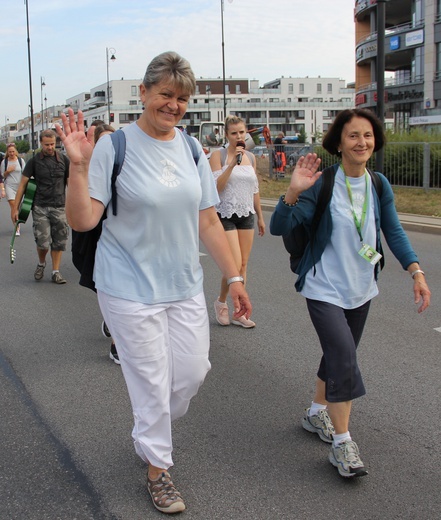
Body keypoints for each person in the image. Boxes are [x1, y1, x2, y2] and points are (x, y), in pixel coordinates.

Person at [55, 51, 252, 514]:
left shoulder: (189, 149)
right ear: (144, 93)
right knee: (151, 380)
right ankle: (159, 470)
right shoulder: (113, 146)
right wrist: (79, 169)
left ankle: (148, 431)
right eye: (165, 94)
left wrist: (235, 277)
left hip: (183, 284)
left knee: (191, 372)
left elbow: (208, 220)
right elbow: (83, 221)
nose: (174, 104)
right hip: (126, 285)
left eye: (182, 97)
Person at [270, 108, 430, 479]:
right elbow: (280, 226)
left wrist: (415, 271)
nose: (362, 142)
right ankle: (342, 444)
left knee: (338, 353)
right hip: (324, 287)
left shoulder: (378, 184)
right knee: (343, 356)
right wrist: (293, 190)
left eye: (368, 136)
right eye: (354, 135)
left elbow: (393, 231)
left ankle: (315, 414)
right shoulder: (323, 183)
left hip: (361, 289)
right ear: (339, 142)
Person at [209, 115, 265, 328]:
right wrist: (232, 164)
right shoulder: (218, 155)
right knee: (232, 263)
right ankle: (222, 302)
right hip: (225, 214)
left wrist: (260, 216)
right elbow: (216, 187)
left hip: (246, 214)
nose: (239, 136)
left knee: (242, 265)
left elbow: (255, 189)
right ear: (227, 135)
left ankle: (239, 312)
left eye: (242, 132)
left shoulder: (251, 156)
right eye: (234, 133)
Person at [71, 123, 120, 365]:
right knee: (100, 284)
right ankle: (110, 313)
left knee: (115, 286)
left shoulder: (123, 163)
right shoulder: (87, 165)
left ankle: (116, 345)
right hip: (91, 234)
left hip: (117, 237)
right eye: (103, 142)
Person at [12, 129, 70, 284]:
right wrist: (15, 208)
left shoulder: (64, 160)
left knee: (59, 242)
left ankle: (56, 272)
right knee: (43, 243)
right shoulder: (34, 161)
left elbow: (71, 184)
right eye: (46, 145)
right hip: (40, 207)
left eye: (52, 144)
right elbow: (22, 185)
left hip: (59, 206)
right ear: (41, 143)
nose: (50, 147)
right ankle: (41, 263)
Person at [1, 143, 24, 235]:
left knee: (18, 207)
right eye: (10, 152)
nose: (11, 153)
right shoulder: (5, 162)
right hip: (9, 186)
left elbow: (25, 172)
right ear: (7, 152)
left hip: (20, 186)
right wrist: (8, 171)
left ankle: (17, 221)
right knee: (14, 207)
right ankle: (16, 227)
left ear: (16, 152)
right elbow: (2, 175)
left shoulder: (20, 160)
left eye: (13, 151)